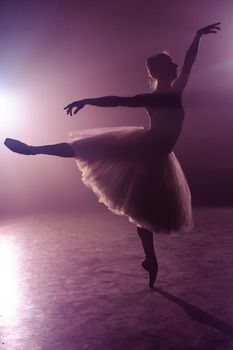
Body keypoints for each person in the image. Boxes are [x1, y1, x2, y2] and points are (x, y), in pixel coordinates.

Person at [4, 23, 220, 288]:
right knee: (87, 149)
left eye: (175, 64)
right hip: (146, 147)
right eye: (171, 64)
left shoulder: (176, 91)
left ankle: (150, 260)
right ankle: (33, 150)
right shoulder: (159, 96)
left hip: (158, 156)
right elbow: (116, 99)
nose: (176, 66)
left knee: (145, 210)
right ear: (162, 70)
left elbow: (188, 62)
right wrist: (87, 100)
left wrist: (197, 37)